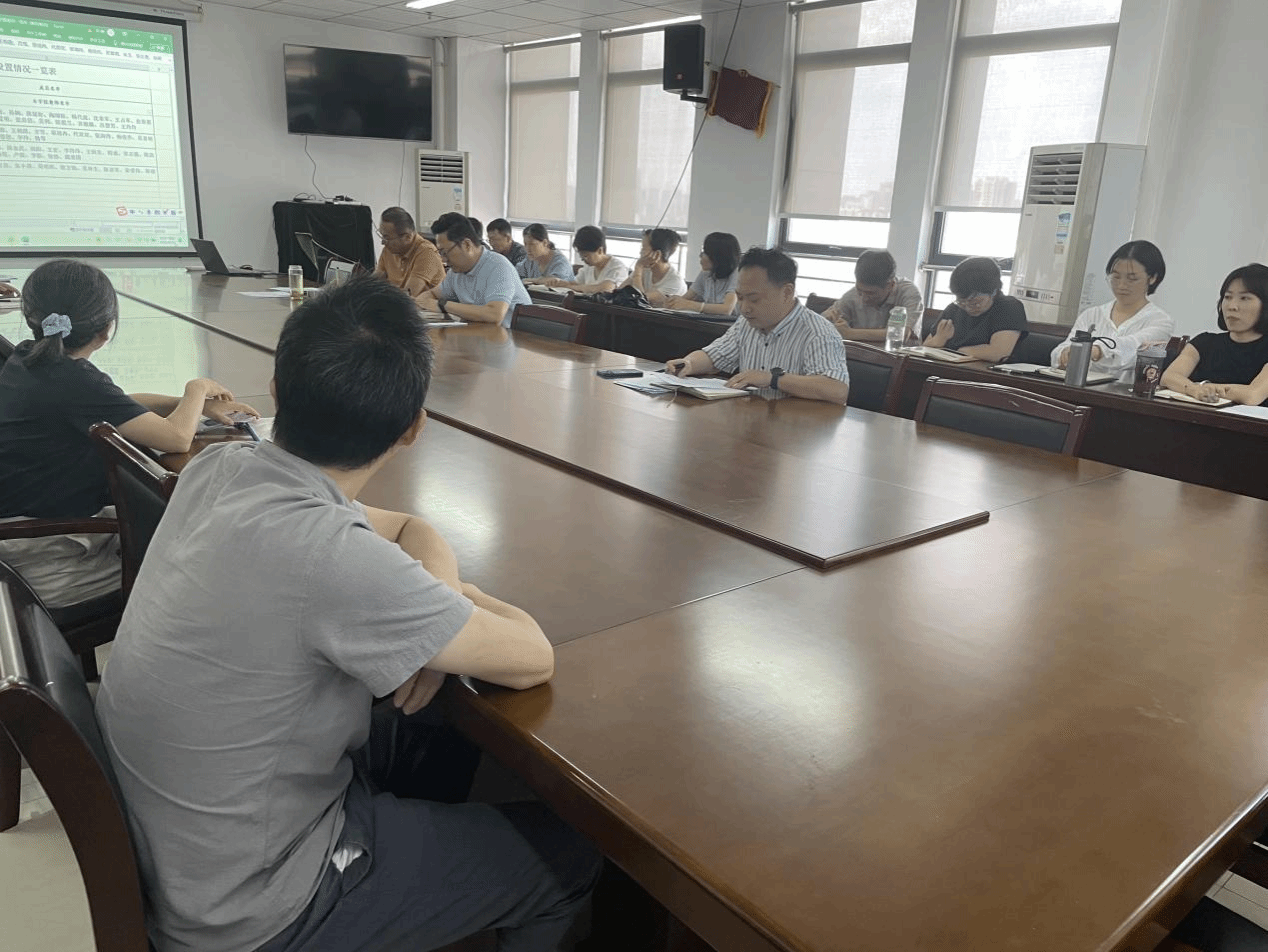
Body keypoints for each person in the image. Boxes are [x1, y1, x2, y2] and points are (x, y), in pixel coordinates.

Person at [96, 276, 602, 952]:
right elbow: (532, 657)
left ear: (275, 391)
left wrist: (433, 606)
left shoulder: (221, 468)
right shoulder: (332, 557)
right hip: (250, 905)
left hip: (184, 845)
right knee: (569, 861)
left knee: (431, 726)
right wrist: (447, 608)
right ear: (415, 428)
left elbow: (409, 527)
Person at [0, 259, 257, 609]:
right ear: (107, 330)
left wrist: (186, 405)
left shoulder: (30, 359)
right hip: (49, 557)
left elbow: (116, 406)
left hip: (24, 528)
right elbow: (176, 438)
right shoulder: (74, 380)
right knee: (211, 558)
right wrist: (196, 389)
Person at [665, 247, 849, 404]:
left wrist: (773, 379)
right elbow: (715, 356)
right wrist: (689, 363)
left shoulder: (818, 332)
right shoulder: (746, 324)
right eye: (740, 298)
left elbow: (837, 389)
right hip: (751, 420)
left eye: (754, 299)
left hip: (796, 429)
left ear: (787, 292)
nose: (744, 308)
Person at [1050, 240, 1173, 382]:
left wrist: (1096, 351)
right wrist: (1065, 355)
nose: (1121, 285)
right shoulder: (1092, 315)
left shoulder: (1161, 321)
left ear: (1152, 278)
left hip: (1123, 394)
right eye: (1116, 277)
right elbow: (1059, 353)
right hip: (1081, 389)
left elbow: (1133, 348)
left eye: (1132, 279)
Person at [1161, 263, 1268, 406]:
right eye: (1228, 297)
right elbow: (1169, 377)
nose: (1232, 306)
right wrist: (1194, 389)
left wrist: (1205, 388)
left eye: (1244, 298)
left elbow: (1252, 395)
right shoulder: (1204, 342)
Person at [418, 212, 531, 327]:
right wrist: (424, 301)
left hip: (514, 336)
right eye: (440, 253)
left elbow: (494, 315)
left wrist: (442, 305)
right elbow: (432, 294)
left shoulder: (498, 266)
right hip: (479, 333)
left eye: (445, 252)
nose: (443, 259)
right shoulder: (456, 272)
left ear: (467, 245)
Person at [922, 256, 1027, 362]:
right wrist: (938, 340)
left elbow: (998, 353)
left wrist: (956, 350)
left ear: (994, 292)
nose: (968, 308)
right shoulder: (954, 309)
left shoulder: (1009, 307)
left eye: (976, 303)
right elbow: (925, 347)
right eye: (962, 302)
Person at [821, 249, 924, 343]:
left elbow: (900, 333)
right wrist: (827, 319)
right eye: (860, 291)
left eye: (871, 293)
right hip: (862, 355)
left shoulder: (908, 293)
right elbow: (825, 318)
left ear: (891, 285)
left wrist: (849, 333)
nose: (863, 298)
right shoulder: (853, 294)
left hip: (901, 356)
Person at [373, 206, 445, 302]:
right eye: (382, 236)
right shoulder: (389, 250)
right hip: (397, 304)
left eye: (387, 238)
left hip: (422, 308)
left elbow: (407, 295)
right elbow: (374, 282)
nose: (383, 242)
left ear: (407, 237)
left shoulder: (427, 253)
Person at [664, 232, 742, 316]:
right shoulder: (705, 273)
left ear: (717, 256)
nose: (700, 256)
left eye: (705, 252)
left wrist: (691, 305)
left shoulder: (737, 274)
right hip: (709, 321)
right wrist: (673, 302)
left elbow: (727, 309)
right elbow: (685, 298)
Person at [539, 225, 628, 293]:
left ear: (600, 250)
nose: (583, 260)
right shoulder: (589, 266)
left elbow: (605, 289)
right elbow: (575, 284)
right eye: (581, 256)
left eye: (586, 256)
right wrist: (560, 283)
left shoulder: (617, 267)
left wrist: (572, 287)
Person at [618, 228, 687, 305]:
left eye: (643, 248)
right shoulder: (645, 269)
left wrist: (638, 268)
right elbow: (618, 293)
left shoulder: (675, 282)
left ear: (657, 254)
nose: (640, 252)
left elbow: (641, 302)